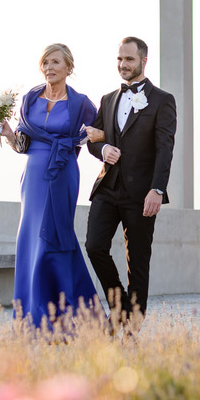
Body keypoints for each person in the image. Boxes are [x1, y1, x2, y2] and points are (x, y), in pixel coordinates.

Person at [0, 43, 101, 329]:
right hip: (33, 178)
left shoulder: (82, 104)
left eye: (55, 62)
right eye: (45, 63)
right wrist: (7, 133)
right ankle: (32, 317)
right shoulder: (30, 99)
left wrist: (100, 140)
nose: (49, 68)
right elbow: (22, 144)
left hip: (63, 173)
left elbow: (98, 135)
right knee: (31, 240)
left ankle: (72, 318)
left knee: (54, 239)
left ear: (68, 67)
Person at [83, 36, 176, 330]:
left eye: (129, 59)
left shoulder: (163, 100)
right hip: (107, 188)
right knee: (94, 246)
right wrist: (102, 150)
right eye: (120, 59)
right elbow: (93, 139)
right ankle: (119, 306)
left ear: (143, 61)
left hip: (142, 193)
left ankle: (133, 330)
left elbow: (165, 149)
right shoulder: (108, 99)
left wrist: (157, 190)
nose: (123, 65)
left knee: (137, 262)